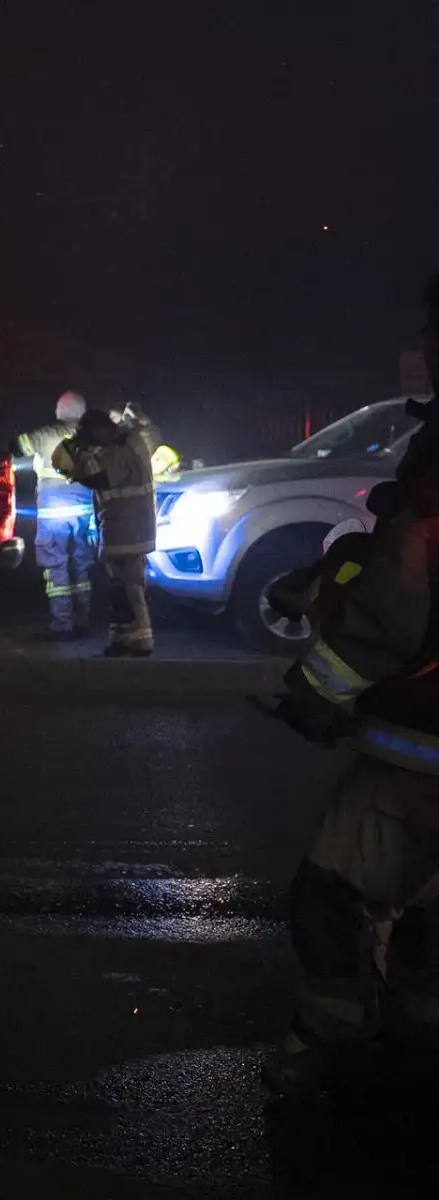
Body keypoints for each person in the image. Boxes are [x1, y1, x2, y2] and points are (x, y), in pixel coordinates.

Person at [263, 271, 439, 1099]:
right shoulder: (431, 448)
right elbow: (393, 559)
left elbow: (404, 585)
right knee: (365, 914)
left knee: (348, 905)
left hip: (417, 742)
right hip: (414, 742)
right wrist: (331, 575)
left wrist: (317, 687)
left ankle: (362, 1070)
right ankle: (370, 1056)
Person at [53, 409, 157, 657]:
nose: (86, 440)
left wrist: (74, 468)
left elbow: (102, 479)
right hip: (121, 525)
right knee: (119, 586)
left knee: (130, 586)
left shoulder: (124, 447)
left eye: (87, 434)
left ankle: (140, 640)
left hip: (128, 527)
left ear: (100, 429)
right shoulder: (122, 444)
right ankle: (123, 638)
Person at [16, 393, 95, 640]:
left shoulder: (47, 433)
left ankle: (62, 624)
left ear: (59, 411)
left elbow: (18, 446)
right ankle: (83, 621)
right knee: (82, 567)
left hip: (53, 513)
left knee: (56, 567)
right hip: (84, 510)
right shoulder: (92, 436)